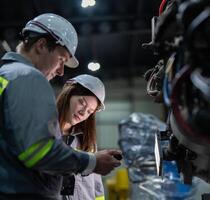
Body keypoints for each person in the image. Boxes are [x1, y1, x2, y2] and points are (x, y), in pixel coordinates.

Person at [0, 13, 121, 200]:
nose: (61, 71)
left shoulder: (6, 76)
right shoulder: (28, 77)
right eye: (62, 60)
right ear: (41, 45)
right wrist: (92, 161)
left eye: (90, 111)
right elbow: (38, 151)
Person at [56, 74, 107, 200]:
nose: (83, 113)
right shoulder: (43, 132)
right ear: (67, 95)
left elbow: (97, 185)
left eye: (90, 111)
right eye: (81, 103)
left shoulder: (87, 141)